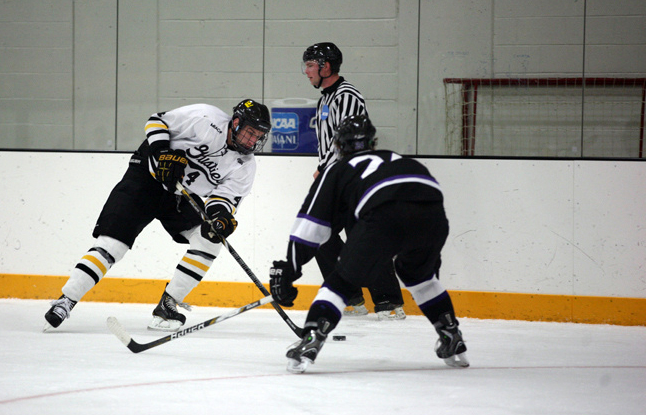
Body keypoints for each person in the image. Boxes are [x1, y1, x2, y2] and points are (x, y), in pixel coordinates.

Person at [44, 99, 271, 332]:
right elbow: (156, 121)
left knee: (210, 240)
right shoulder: (206, 118)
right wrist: (162, 152)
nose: (253, 140)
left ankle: (167, 304)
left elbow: (223, 200)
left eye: (258, 136)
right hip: (146, 178)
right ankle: (66, 300)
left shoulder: (245, 166)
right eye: (250, 132)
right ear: (235, 122)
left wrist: (220, 218)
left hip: (181, 195)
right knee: (113, 244)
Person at [269, 114, 469, 373]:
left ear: (338, 146)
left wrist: (290, 269)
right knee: (421, 277)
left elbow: (312, 225)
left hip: (385, 213)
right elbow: (430, 195)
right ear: (373, 142)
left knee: (340, 282)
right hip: (433, 214)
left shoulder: (338, 168)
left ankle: (312, 337)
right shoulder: (400, 160)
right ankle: (450, 332)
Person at [302, 42, 405, 319]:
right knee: (319, 233)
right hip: (335, 179)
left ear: (326, 66)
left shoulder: (347, 96)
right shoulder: (325, 97)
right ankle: (351, 298)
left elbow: (351, 143)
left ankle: (389, 302)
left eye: (311, 65)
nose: (306, 71)